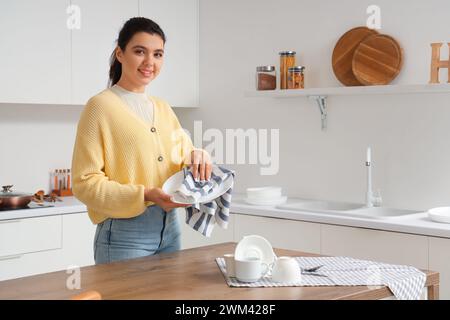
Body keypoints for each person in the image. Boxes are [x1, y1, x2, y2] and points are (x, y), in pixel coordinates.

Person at [71, 17, 212, 264]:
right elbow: (84, 183)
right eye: (140, 51)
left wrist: (198, 155)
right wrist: (144, 194)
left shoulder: (163, 108)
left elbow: (183, 160)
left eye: (158, 54)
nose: (150, 62)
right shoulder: (100, 107)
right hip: (125, 234)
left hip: (170, 230)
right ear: (120, 53)